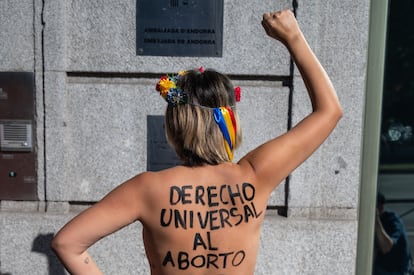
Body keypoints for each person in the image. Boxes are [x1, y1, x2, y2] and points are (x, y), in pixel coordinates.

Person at [51, 9, 342, 275]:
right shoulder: (255, 175)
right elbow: (330, 111)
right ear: (230, 122)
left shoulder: (148, 189)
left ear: (175, 123)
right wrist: (293, 37)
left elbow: (67, 243)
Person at [373, 192, 411, 275]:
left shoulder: (392, 220)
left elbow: (386, 247)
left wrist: (376, 220)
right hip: (381, 268)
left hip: (395, 271)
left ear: (381, 207)